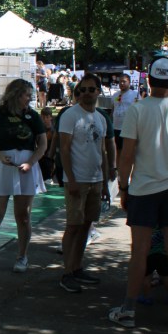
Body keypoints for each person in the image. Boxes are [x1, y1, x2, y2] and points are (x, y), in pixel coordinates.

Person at [109, 57, 168, 331]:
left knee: (140, 251)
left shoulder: (137, 110)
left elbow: (127, 155)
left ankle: (128, 308)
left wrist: (123, 187)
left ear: (148, 80)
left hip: (144, 189)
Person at [0, 79, 48, 276]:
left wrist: (31, 162)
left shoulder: (32, 116)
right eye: (27, 95)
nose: (30, 99)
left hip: (26, 167)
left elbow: (42, 144)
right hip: (2, 166)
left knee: (23, 216)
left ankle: (22, 256)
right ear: (16, 94)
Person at [57, 74, 109, 293]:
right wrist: (71, 179)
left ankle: (77, 267)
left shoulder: (101, 118)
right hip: (77, 180)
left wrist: (105, 182)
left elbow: (103, 151)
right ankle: (67, 272)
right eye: (83, 89)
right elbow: (64, 149)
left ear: (98, 92)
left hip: (96, 179)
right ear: (78, 92)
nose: (87, 93)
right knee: (73, 226)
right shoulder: (71, 115)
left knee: (87, 225)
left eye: (92, 89)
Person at [111, 74, 137, 152]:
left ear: (129, 82)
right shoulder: (115, 95)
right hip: (116, 127)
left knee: (128, 151)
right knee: (118, 150)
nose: (121, 83)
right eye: (120, 82)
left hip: (128, 128)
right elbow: (112, 109)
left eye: (124, 81)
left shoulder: (135, 95)